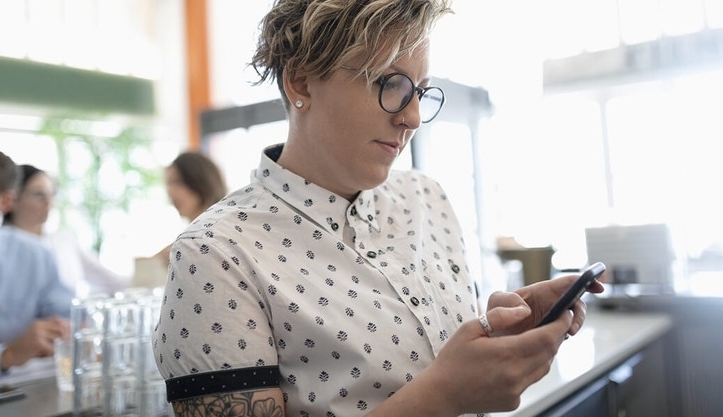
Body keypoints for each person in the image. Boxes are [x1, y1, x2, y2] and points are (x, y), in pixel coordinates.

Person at [152, 1, 604, 416]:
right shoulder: (215, 254)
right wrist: (444, 394)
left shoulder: (427, 200)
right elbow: (442, 389)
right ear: (301, 80)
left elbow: (432, 362)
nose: (411, 118)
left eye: (421, 92)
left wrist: (495, 340)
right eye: (391, 84)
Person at [0, 144, 74, 379]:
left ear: (5, 201)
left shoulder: (35, 255)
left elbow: (67, 319)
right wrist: (5, 356)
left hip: (21, 394)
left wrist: (59, 331)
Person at [2, 164, 130, 298]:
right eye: (38, 195)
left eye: (52, 194)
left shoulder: (63, 241)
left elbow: (114, 282)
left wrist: (149, 266)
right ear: (13, 199)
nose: (49, 202)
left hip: (67, 318)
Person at [152, 151, 228, 267]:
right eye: (168, 183)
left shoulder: (219, 234)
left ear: (201, 182)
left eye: (177, 182)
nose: (170, 191)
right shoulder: (185, 242)